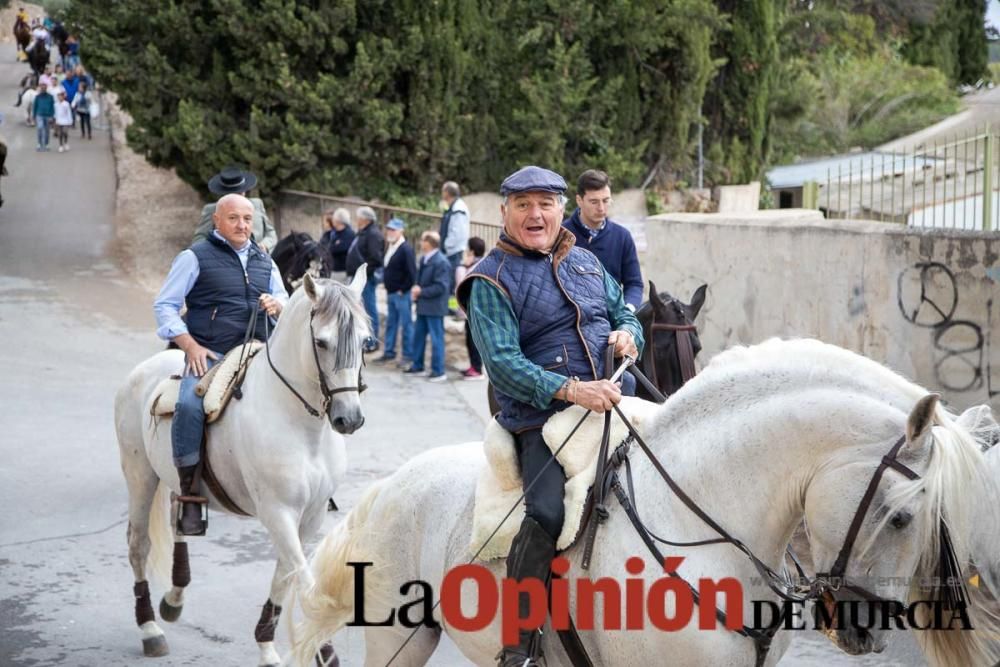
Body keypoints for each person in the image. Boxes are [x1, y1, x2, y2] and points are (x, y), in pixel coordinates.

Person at [456, 166, 642, 667]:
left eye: (545, 203)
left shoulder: (584, 260)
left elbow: (625, 311)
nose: (535, 214)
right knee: (547, 511)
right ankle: (518, 644)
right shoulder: (488, 280)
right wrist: (573, 390)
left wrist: (629, 335)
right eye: (523, 205)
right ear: (504, 214)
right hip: (540, 420)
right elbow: (503, 366)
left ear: (562, 208)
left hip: (617, 402)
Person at [153, 194, 288, 535]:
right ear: (216, 220)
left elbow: (286, 298)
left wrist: (278, 304)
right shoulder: (193, 257)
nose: (242, 225)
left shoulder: (264, 260)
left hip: (258, 348)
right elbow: (165, 306)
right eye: (234, 218)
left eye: (247, 219)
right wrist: (189, 344)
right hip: (211, 352)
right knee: (189, 404)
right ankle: (189, 494)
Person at [563, 169, 644, 311]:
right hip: (569, 319)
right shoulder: (560, 235)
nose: (601, 208)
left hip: (612, 318)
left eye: (606, 201)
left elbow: (634, 284)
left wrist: (627, 311)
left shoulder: (622, 236)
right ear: (579, 200)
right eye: (594, 202)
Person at [192, 166, 277, 252]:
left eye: (240, 193)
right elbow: (199, 238)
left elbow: (271, 233)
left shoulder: (257, 204)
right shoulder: (212, 209)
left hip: (260, 258)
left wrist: (264, 246)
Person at [402, 231, 451, 382]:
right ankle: (418, 366)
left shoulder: (441, 262)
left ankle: (438, 371)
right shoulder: (424, 259)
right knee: (418, 337)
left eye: (423, 240)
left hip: (435, 307)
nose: (420, 243)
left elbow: (441, 287)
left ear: (429, 243)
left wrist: (421, 291)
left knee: (436, 339)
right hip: (423, 305)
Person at [377, 218, 417, 366]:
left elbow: (412, 273)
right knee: (391, 324)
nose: (390, 232)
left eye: (393, 229)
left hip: (401, 293)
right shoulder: (392, 246)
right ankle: (389, 352)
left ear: (401, 231)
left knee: (406, 325)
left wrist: (403, 289)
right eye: (389, 229)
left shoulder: (406, 248)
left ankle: (408, 355)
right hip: (391, 292)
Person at [345, 206, 384, 353]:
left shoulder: (373, 234)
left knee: (369, 309)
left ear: (365, 219)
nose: (357, 220)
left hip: (366, 278)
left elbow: (375, 258)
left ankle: (372, 341)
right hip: (359, 277)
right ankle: (364, 339)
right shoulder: (364, 232)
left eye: (359, 217)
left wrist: (364, 273)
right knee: (360, 309)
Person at [455, 237, 486, 380]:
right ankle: (474, 367)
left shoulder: (472, 266)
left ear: (471, 250)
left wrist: (462, 266)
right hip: (474, 310)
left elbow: (460, 282)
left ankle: (477, 369)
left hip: (474, 311)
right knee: (471, 340)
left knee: (473, 341)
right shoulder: (482, 263)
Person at [438, 180, 470, 297]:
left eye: (443, 190)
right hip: (449, 251)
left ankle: (451, 310)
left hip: (453, 252)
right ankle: (447, 307)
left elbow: (457, 234)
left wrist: (446, 246)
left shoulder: (459, 209)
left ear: (447, 192)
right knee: (447, 279)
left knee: (451, 280)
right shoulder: (452, 206)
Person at [318, 207, 354, 281]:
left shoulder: (349, 233)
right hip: (333, 269)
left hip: (342, 270)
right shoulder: (335, 233)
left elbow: (338, 248)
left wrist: (332, 247)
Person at [31, 82, 54, 152]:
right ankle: (39, 143)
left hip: (48, 115)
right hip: (39, 115)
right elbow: (35, 107)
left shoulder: (50, 97)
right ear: (40, 89)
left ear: (46, 88)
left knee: (47, 131)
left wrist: (52, 116)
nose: (43, 89)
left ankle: (46, 144)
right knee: (40, 129)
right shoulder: (37, 97)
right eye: (42, 88)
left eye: (44, 88)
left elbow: (52, 107)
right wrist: (34, 116)